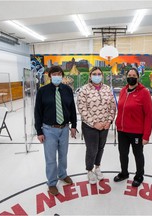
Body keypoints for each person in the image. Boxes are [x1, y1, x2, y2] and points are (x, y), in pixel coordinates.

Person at [34, 65, 77, 196]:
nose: (57, 76)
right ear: (50, 76)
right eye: (54, 74)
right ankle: (52, 183)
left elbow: (72, 109)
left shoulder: (68, 90)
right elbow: (37, 112)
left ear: (62, 76)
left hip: (64, 129)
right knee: (51, 158)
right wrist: (39, 131)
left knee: (63, 155)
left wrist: (74, 126)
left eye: (59, 74)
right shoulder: (43, 91)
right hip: (49, 130)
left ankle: (63, 174)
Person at [114, 68, 152, 187]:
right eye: (129, 75)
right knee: (123, 153)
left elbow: (149, 114)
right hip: (122, 130)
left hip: (136, 132)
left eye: (133, 75)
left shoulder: (144, 92)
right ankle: (124, 173)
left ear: (137, 77)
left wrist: (146, 135)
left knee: (138, 154)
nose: (131, 77)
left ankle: (139, 175)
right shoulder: (123, 91)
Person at [77, 66, 116, 184]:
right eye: (94, 74)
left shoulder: (107, 89)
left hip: (104, 126)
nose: (97, 76)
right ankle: (89, 170)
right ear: (90, 76)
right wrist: (94, 123)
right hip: (90, 126)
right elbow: (82, 108)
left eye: (99, 74)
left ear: (102, 76)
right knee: (92, 149)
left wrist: (109, 121)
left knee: (100, 148)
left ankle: (97, 167)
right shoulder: (84, 90)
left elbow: (112, 106)